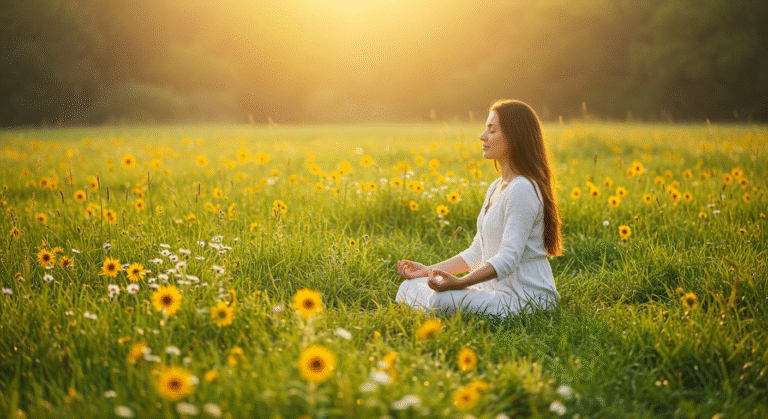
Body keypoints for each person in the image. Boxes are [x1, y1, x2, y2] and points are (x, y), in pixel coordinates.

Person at [395, 99, 562, 318]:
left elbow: (508, 259)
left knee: (439, 299)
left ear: (515, 137)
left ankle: (430, 310)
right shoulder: (496, 187)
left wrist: (460, 283)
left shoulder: (523, 189)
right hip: (492, 293)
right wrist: (426, 271)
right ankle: (433, 309)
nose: (483, 136)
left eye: (492, 130)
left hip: (525, 299)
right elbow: (476, 254)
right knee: (409, 286)